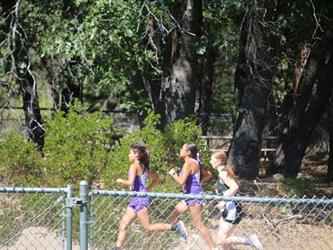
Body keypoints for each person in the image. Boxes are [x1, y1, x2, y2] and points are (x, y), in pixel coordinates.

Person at [111, 144, 187, 250]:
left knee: (148, 227)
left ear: (136, 154)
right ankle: (117, 248)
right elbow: (157, 180)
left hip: (140, 201)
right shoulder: (143, 166)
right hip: (135, 200)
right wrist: (146, 190)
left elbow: (130, 182)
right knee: (123, 225)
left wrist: (120, 180)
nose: (128, 155)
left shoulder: (134, 166)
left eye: (130, 153)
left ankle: (175, 227)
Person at [210, 149, 263, 250]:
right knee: (225, 244)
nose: (210, 162)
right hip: (227, 210)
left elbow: (234, 187)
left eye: (212, 160)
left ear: (220, 161)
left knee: (221, 241)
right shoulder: (222, 172)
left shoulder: (223, 174)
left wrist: (223, 202)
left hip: (233, 210)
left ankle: (250, 241)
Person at [168, 142, 216, 250]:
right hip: (189, 196)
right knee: (173, 214)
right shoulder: (195, 162)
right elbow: (208, 174)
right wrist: (198, 182)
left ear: (188, 152)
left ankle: (213, 247)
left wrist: (173, 174)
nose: (180, 150)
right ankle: (189, 237)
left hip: (194, 196)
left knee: (199, 225)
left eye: (182, 149)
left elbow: (181, 182)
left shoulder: (189, 163)